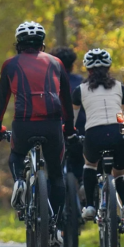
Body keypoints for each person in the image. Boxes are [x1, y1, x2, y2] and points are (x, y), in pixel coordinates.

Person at [0, 21, 76, 247]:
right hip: (52, 125)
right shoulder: (57, 63)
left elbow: (3, 100)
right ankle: (54, 226)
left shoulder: (10, 65)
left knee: (17, 155)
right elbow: (66, 99)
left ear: (18, 44)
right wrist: (69, 126)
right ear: (42, 44)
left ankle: (19, 181)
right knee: (56, 175)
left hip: (24, 125)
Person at [72, 49, 124, 229]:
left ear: (87, 69)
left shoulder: (80, 90)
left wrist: (71, 135)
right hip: (118, 133)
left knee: (89, 165)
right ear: (108, 67)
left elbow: (73, 121)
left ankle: (90, 206)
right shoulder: (119, 87)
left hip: (94, 135)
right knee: (120, 174)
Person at [50, 46, 85, 188]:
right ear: (72, 64)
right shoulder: (81, 82)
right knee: (80, 161)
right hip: (80, 128)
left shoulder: (50, 82)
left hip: (55, 129)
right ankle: (83, 184)